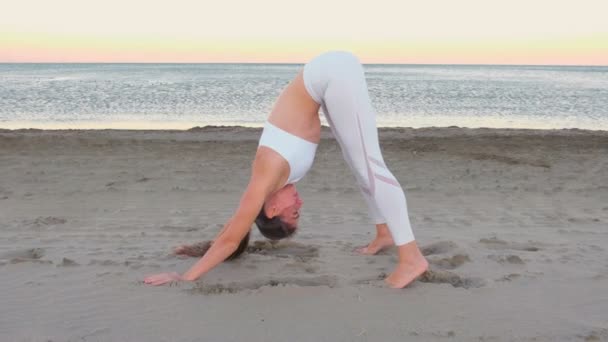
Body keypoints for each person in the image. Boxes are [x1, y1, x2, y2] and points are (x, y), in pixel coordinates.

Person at [144, 51, 428, 288]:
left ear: (272, 210)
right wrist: (200, 250)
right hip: (327, 78)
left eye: (294, 211)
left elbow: (230, 240)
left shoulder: (264, 179)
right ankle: (384, 234)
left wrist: (184, 277)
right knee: (359, 164)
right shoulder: (265, 190)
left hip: (331, 71)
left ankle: (411, 258)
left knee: (370, 167)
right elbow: (234, 228)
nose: (300, 202)